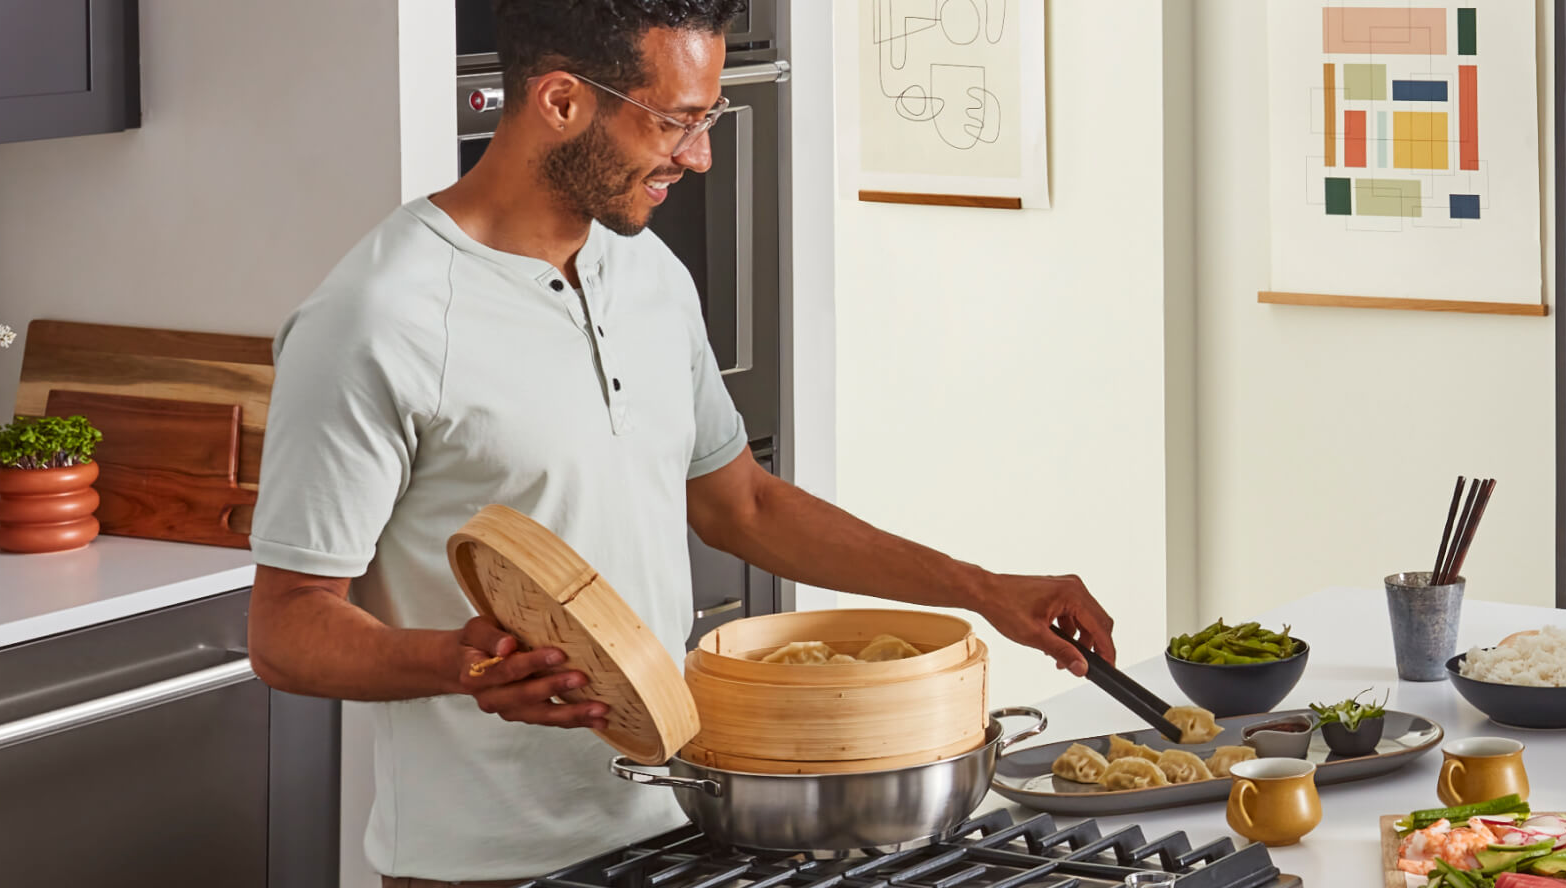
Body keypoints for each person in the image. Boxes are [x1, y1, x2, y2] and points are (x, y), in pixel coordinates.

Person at [241, 2, 1117, 885]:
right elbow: (288, 629)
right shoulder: (376, 318)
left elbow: (743, 503)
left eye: (706, 121)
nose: (698, 155)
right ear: (559, 102)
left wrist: (980, 590)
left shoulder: (650, 273)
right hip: (491, 864)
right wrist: (463, 663)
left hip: (687, 823)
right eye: (676, 121)